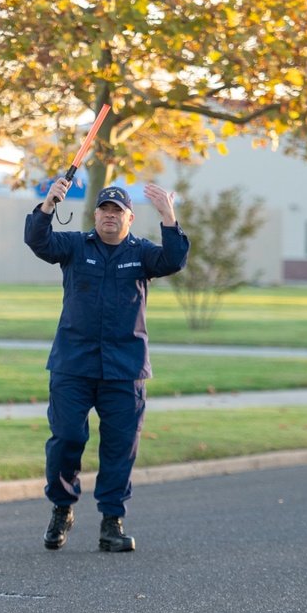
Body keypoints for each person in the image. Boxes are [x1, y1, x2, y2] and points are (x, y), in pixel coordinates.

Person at [24, 180, 190, 552]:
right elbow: (38, 242)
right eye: (104, 210)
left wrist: (168, 215)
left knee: (119, 447)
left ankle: (111, 522)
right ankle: (62, 508)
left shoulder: (144, 253)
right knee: (67, 437)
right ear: (95, 214)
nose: (110, 215)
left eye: (118, 211)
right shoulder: (74, 246)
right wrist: (48, 203)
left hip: (124, 368)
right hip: (73, 364)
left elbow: (175, 260)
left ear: (130, 218)